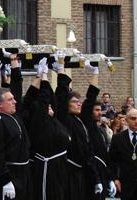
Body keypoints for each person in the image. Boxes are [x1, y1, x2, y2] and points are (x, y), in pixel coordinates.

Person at [54, 53, 100, 200]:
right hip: (68, 171)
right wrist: (61, 67)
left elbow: (90, 99)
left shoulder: (80, 119)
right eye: (75, 102)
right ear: (67, 104)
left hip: (84, 170)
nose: (78, 104)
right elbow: (61, 94)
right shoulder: (63, 118)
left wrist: (95, 73)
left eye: (79, 102)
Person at [25, 57, 70, 200]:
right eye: (47, 106)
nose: (50, 107)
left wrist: (61, 70)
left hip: (60, 167)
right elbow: (42, 99)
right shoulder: (39, 121)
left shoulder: (56, 120)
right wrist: (43, 76)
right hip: (46, 168)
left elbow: (61, 98)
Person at [80, 60, 116, 200]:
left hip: (101, 173)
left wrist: (110, 178)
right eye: (96, 110)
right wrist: (95, 73)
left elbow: (104, 156)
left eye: (100, 110)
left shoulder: (99, 128)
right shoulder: (87, 123)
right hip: (90, 174)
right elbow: (90, 99)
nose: (100, 113)